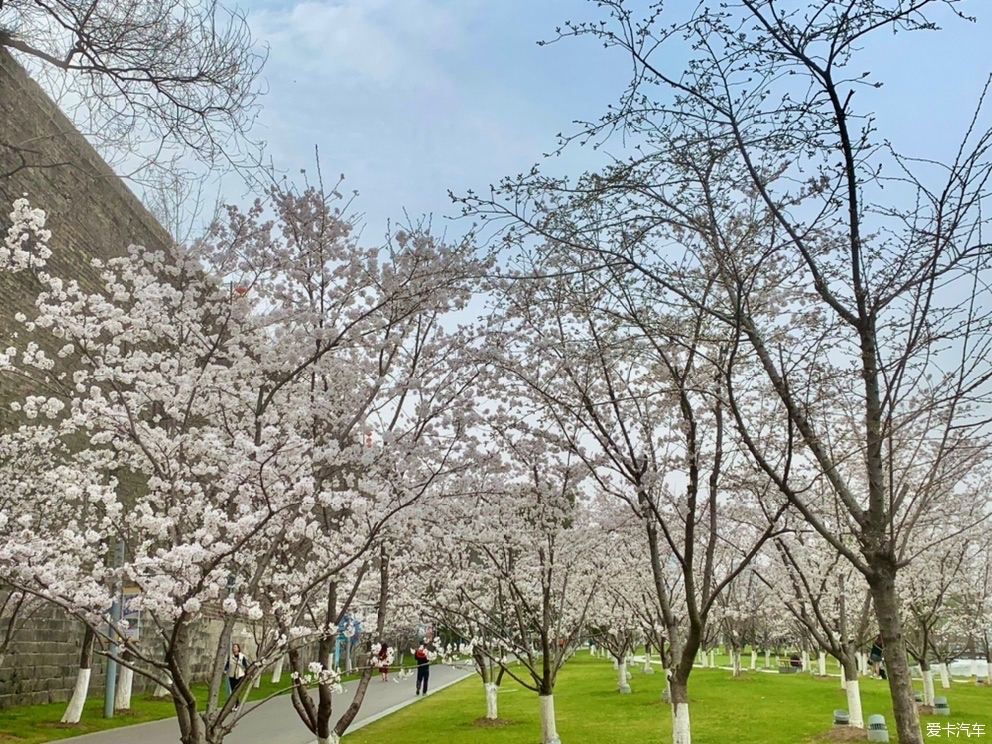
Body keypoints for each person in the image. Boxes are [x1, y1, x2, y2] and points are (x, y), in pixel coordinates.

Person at [225, 643, 249, 708]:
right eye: (233, 647)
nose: (234, 648)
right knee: (233, 691)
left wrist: (247, 672)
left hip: (240, 675)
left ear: (238, 649)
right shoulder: (231, 657)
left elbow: (245, 665)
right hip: (232, 675)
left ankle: (236, 704)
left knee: (237, 690)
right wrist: (225, 670)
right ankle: (235, 703)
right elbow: (227, 664)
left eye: (235, 647)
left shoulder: (242, 656)